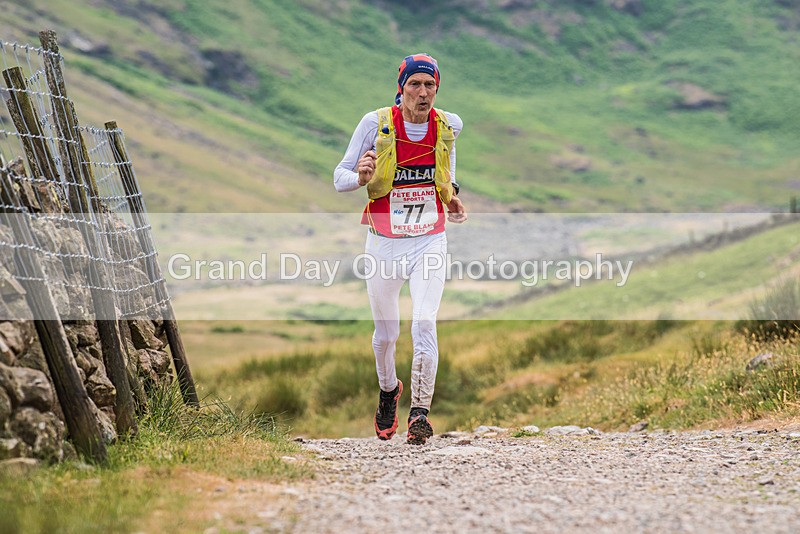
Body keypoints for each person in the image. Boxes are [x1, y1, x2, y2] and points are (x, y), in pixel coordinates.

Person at [333, 53, 467, 445]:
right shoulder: (374, 124)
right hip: (384, 243)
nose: (423, 93)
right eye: (415, 85)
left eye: (430, 86)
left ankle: (421, 414)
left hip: (430, 238)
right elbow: (338, 177)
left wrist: (452, 193)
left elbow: (448, 161)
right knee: (385, 335)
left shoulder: (448, 125)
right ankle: (389, 390)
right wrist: (359, 176)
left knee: (424, 322)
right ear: (401, 88)